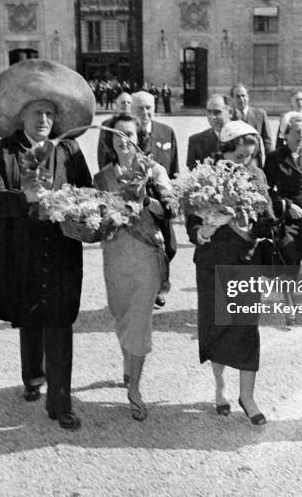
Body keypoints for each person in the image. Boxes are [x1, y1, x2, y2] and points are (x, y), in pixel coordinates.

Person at [0, 59, 94, 430]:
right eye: (36, 112)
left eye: (49, 113)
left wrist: (84, 211)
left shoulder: (70, 152)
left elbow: (86, 193)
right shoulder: (0, 152)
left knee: (60, 322)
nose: (43, 119)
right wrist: (24, 198)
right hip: (21, 251)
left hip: (61, 252)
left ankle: (61, 403)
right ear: (21, 115)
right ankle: (33, 376)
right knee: (29, 317)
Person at [187, 120, 278, 425]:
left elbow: (268, 220)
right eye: (238, 157)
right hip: (212, 262)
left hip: (245, 261)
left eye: (249, 156)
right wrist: (205, 228)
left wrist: (240, 221)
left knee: (246, 328)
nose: (244, 163)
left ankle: (248, 397)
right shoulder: (205, 175)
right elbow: (191, 219)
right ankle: (220, 388)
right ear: (225, 150)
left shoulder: (257, 176)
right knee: (218, 327)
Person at [94, 114, 174, 421]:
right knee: (121, 313)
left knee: (139, 319)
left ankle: (135, 389)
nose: (122, 139)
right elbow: (96, 217)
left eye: (128, 134)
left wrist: (149, 203)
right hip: (114, 254)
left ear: (139, 138)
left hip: (145, 254)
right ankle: (128, 366)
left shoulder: (154, 170)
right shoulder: (102, 178)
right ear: (110, 141)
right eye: (116, 134)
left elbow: (171, 207)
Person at [265, 113, 302, 324]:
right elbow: (265, 189)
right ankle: (290, 301)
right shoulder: (274, 157)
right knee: (287, 250)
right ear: (286, 133)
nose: (301, 135)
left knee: (296, 258)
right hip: (284, 217)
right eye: (297, 132)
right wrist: (286, 205)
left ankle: (288, 292)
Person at [131, 90, 179, 308]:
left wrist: (174, 199)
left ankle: (157, 283)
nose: (145, 112)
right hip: (135, 201)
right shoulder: (124, 133)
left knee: (169, 247)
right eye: (140, 108)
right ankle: (150, 290)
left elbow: (175, 167)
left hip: (162, 200)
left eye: (149, 107)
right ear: (132, 110)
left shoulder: (166, 131)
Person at [230, 83, 273, 166]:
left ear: (248, 97)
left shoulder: (260, 114)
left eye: (243, 96)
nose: (241, 99)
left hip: (254, 161)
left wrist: (271, 162)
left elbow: (267, 141)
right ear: (232, 99)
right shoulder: (229, 116)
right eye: (238, 96)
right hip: (234, 162)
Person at [186, 94, 232, 170]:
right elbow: (192, 175)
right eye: (209, 112)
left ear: (230, 112)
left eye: (217, 112)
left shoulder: (244, 138)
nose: (212, 117)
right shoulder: (196, 142)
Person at [97, 92, 132, 170]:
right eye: (123, 102)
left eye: (129, 102)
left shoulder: (135, 124)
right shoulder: (106, 124)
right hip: (112, 166)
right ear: (117, 105)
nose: (126, 104)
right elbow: (102, 151)